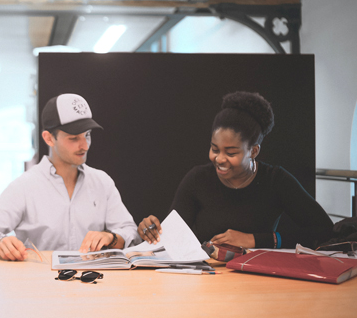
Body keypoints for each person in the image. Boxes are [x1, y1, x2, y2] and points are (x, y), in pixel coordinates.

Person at [138, 91, 333, 250]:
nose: (220, 159)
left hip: (259, 279)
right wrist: (153, 229)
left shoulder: (275, 181)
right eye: (215, 149)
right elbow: (172, 236)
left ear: (253, 151)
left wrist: (254, 240)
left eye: (231, 153)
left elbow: (324, 231)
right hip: (207, 278)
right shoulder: (198, 179)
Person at [0, 93, 140, 260]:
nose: (84, 146)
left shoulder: (102, 182)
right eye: (73, 138)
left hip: (94, 283)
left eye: (87, 135)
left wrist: (111, 237)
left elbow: (130, 231)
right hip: (42, 285)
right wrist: (0, 242)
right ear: (48, 138)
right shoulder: (25, 186)